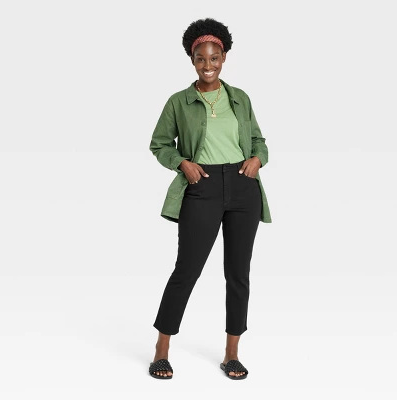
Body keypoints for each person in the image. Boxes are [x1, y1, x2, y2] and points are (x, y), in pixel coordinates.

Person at [148, 17, 272, 380]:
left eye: (214, 58)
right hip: (201, 187)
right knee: (187, 270)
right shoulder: (179, 102)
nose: (208, 65)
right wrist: (182, 163)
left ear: (224, 58)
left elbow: (259, 141)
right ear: (192, 59)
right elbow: (159, 144)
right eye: (200, 58)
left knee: (238, 273)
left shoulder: (240, 98)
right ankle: (161, 350)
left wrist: (257, 159)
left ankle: (232, 354)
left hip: (243, 186)